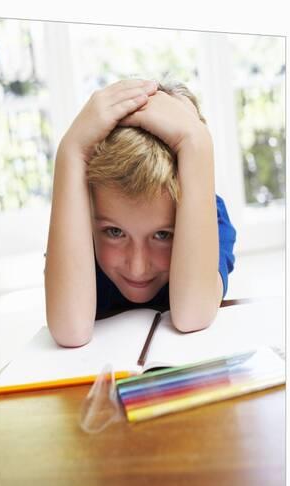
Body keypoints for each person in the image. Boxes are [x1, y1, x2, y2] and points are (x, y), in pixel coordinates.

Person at [44, 78, 236, 347]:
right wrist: (71, 149)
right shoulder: (78, 221)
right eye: (114, 232)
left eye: (162, 235)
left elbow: (193, 315)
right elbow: (70, 331)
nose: (137, 267)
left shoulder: (211, 218)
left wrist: (197, 142)